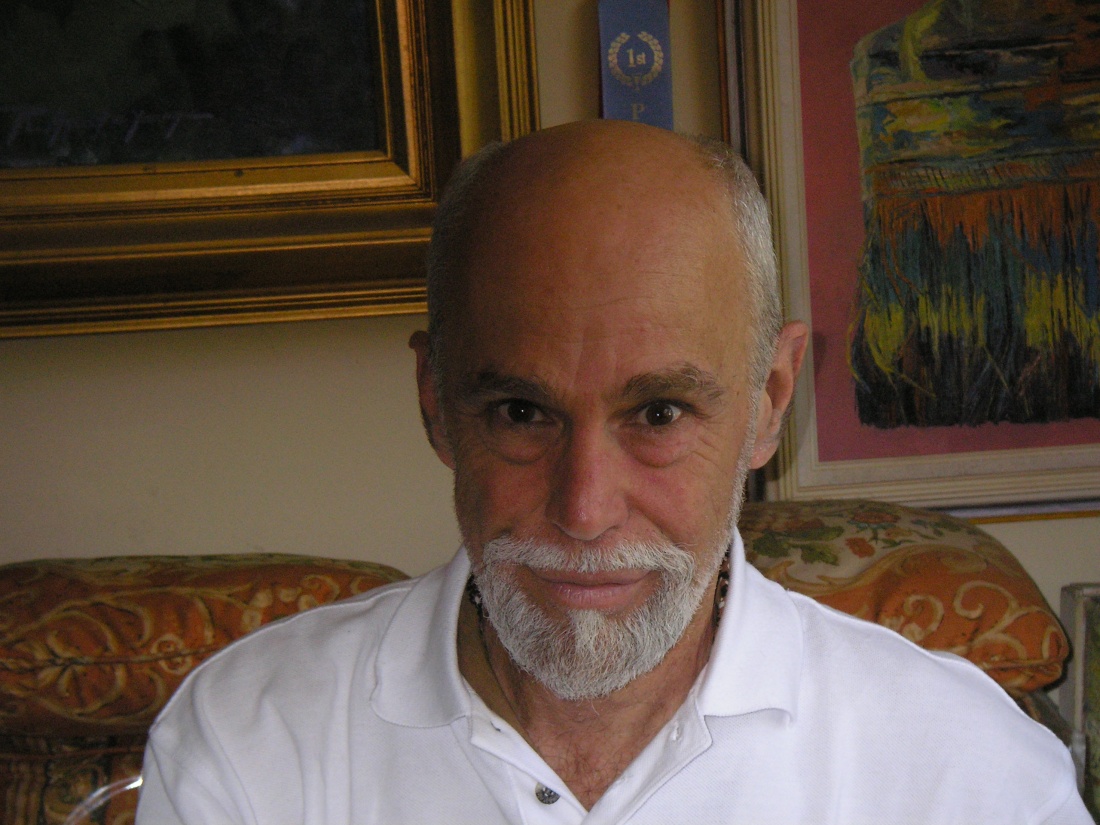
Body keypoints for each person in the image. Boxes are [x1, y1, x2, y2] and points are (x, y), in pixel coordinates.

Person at [135, 121, 1088, 824]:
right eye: (521, 413)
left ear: (768, 401)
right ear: (435, 402)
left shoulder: (967, 772)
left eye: (660, 414)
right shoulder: (253, 743)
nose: (585, 510)